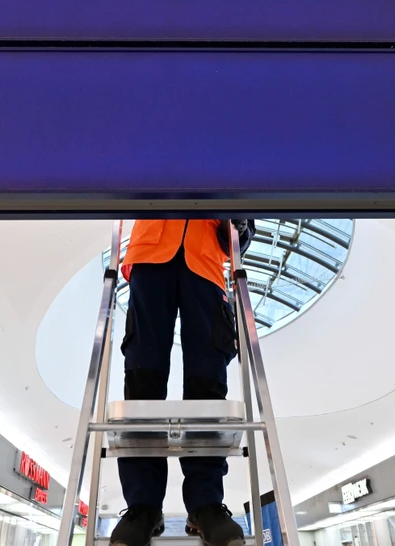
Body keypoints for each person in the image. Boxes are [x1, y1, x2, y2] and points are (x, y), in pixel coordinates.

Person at [109, 218, 256, 546]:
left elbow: (241, 239)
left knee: (207, 384)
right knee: (142, 380)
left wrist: (241, 228)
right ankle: (144, 506)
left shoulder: (231, 165)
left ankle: (204, 504)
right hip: (149, 254)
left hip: (205, 263)